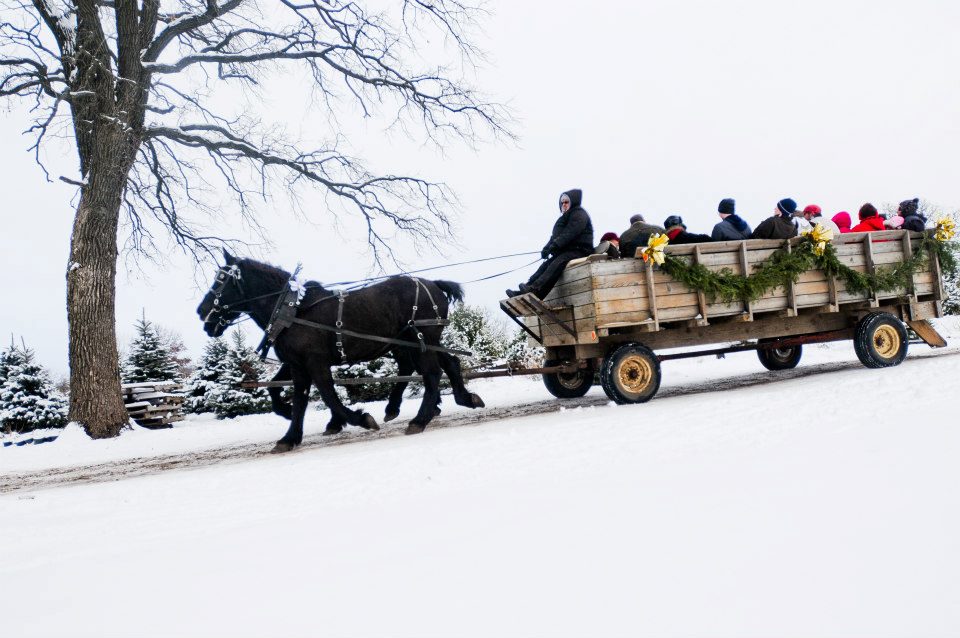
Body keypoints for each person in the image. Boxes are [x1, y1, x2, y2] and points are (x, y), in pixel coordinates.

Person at [506, 188, 594, 299]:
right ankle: (526, 289)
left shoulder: (579, 214)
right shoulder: (564, 218)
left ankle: (536, 290)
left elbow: (571, 232)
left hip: (580, 250)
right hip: (567, 251)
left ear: (573, 202)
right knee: (545, 265)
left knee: (556, 263)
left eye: (566, 202)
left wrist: (556, 245)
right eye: (562, 203)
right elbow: (555, 236)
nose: (564, 205)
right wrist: (547, 248)